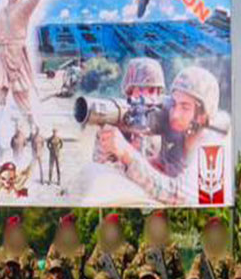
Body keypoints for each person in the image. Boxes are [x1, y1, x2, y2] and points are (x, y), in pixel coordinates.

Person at [97, 65, 227, 207]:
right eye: (174, 104)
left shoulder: (213, 148)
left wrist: (129, 155)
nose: (175, 114)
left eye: (185, 107)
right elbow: (161, 167)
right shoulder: (181, 133)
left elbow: (178, 195)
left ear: (202, 116)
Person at [86, 211, 137, 279]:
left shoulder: (127, 248)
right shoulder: (100, 247)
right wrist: (99, 278)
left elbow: (136, 267)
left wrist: (126, 278)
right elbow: (88, 268)